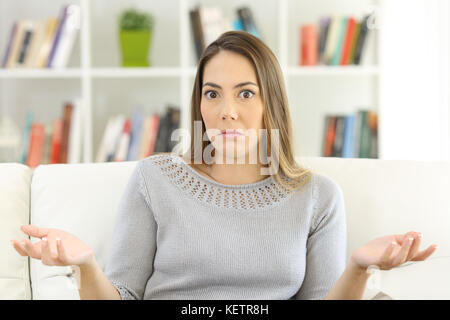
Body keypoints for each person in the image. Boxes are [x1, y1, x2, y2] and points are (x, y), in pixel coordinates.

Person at [11, 31, 437, 300]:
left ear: (271, 102)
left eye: (246, 94)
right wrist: (85, 265)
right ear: (199, 104)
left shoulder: (317, 197)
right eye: (212, 94)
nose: (226, 111)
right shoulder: (154, 179)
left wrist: (358, 270)